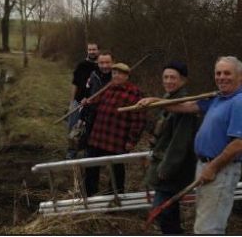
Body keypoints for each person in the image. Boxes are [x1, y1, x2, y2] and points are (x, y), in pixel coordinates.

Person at [138, 56, 242, 234]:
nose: (221, 77)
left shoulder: (239, 101)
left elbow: (238, 144)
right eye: (218, 73)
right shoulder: (218, 97)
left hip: (220, 169)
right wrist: (155, 100)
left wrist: (213, 167)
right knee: (205, 220)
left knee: (208, 228)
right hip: (205, 166)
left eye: (227, 73)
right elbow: (186, 107)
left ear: (240, 76)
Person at [145, 61, 200, 234]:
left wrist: (167, 168)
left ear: (183, 80)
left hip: (173, 170)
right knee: (169, 212)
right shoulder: (168, 98)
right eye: (166, 77)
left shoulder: (184, 105)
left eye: (173, 78)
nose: (168, 81)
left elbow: (180, 141)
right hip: (163, 163)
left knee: (162, 211)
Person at [84, 62, 146, 197]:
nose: (116, 76)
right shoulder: (108, 88)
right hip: (98, 135)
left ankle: (115, 197)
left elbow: (139, 119)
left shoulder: (134, 93)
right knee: (91, 166)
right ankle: (90, 196)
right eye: (114, 73)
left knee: (116, 169)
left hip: (116, 139)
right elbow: (96, 101)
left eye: (119, 73)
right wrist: (88, 101)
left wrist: (131, 140)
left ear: (127, 76)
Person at [66, 42, 99, 159]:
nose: (92, 52)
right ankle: (71, 152)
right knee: (73, 128)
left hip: (93, 104)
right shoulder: (81, 65)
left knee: (90, 129)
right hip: (78, 101)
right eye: (90, 50)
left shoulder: (101, 67)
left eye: (94, 49)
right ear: (87, 51)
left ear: (98, 50)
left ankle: (87, 153)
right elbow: (75, 84)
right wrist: (72, 102)